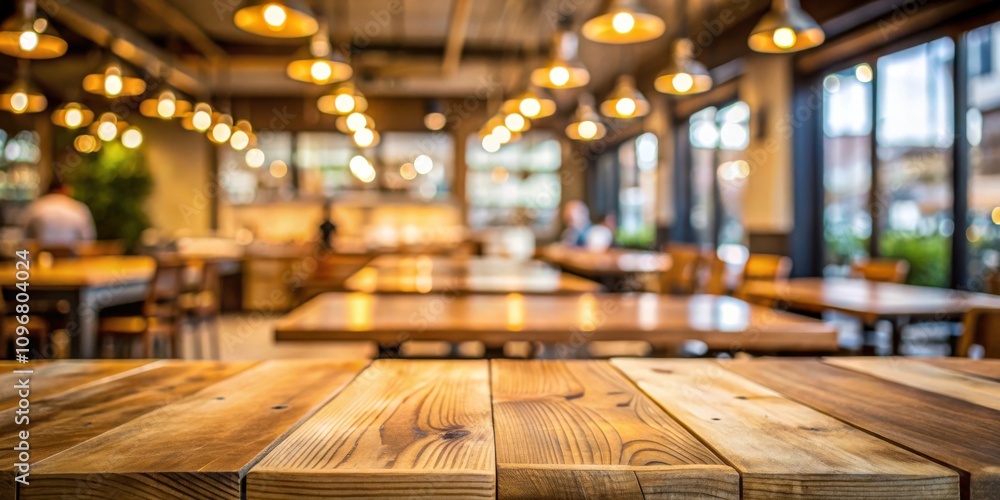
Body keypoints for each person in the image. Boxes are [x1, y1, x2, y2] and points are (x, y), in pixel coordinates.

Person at [21, 176, 96, 248]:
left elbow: (23, 239)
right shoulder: (79, 208)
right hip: (72, 258)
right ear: (64, 189)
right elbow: (88, 241)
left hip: (41, 258)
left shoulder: (34, 208)